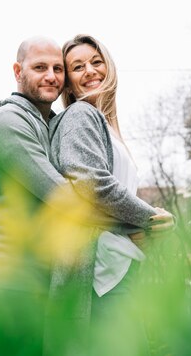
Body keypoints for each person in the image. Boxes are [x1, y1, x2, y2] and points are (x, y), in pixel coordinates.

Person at [47, 34, 175, 355]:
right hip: (101, 275)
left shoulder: (107, 125)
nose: (89, 70)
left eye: (96, 61)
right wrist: (149, 220)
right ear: (69, 85)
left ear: (109, 67)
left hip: (122, 267)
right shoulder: (80, 115)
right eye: (77, 67)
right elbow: (92, 184)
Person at [0, 36, 68, 356]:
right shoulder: (7, 121)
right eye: (40, 67)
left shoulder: (50, 124)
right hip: (7, 288)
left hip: (40, 288)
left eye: (58, 68)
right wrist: (135, 222)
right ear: (18, 70)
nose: (51, 76)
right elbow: (63, 196)